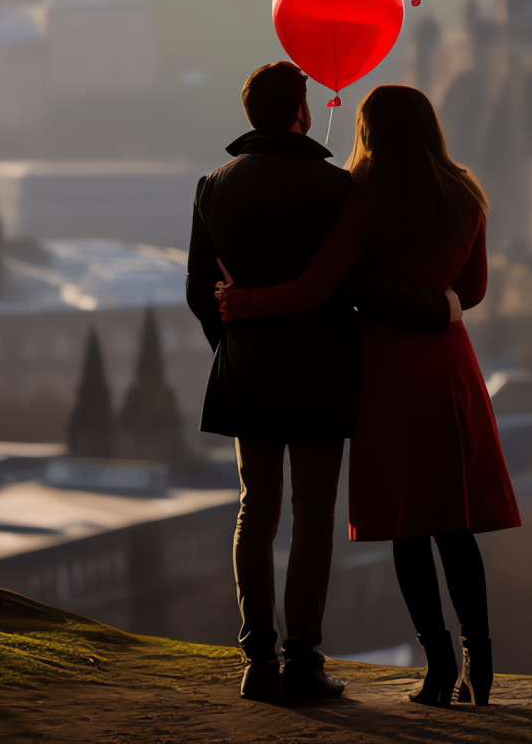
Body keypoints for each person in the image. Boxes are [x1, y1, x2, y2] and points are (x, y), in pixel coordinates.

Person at [219, 83, 521, 707]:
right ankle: (480, 664)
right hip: (449, 365)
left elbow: (321, 283)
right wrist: (440, 306)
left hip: (386, 368)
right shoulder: (465, 194)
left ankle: (437, 668)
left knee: (409, 526)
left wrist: (245, 302)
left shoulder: (363, 193)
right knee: (455, 525)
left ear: (370, 129)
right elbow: (475, 290)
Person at [185, 63, 453, 704]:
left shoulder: (213, 186)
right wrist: (435, 309)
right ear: (301, 112)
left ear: (252, 115)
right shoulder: (337, 189)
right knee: (311, 514)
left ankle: (256, 658)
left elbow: (200, 293)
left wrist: (237, 342)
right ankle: (303, 657)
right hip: (320, 371)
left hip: (247, 371)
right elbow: (357, 284)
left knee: (256, 511)